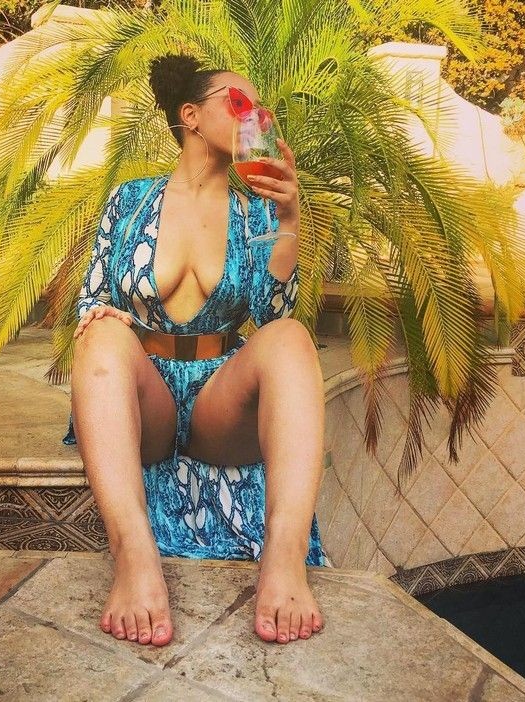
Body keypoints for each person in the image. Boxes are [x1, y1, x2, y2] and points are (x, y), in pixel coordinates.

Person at [64, 53, 328, 648]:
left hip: (219, 399)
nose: (254, 116)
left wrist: (289, 215)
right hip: (149, 396)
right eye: (238, 103)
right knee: (100, 336)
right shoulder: (130, 201)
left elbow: (273, 314)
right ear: (190, 116)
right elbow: (92, 298)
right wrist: (104, 319)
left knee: (291, 338)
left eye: (259, 110)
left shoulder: (256, 210)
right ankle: (135, 558)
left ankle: (285, 560)